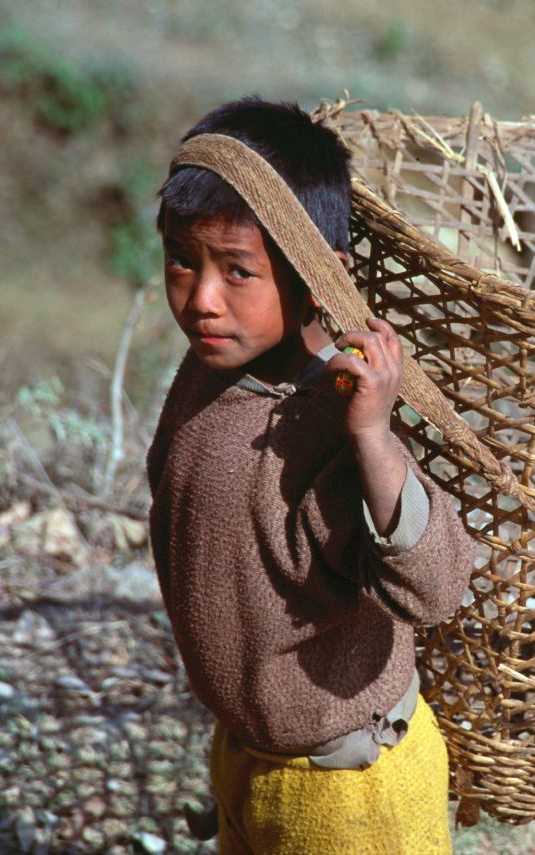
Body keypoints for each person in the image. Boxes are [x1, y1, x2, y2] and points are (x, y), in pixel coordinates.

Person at [146, 97, 474, 854]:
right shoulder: (207, 373)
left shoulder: (333, 422)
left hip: (352, 792)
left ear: (320, 275)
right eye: (182, 259)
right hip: (250, 756)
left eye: (239, 271)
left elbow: (435, 584)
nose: (201, 299)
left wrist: (372, 435)